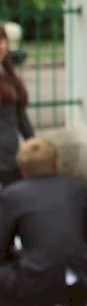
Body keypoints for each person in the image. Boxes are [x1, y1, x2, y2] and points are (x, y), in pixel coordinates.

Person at [0, 138, 87, 306]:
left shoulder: (12, 196)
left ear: (22, 171)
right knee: (76, 257)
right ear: (56, 164)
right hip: (83, 277)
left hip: (37, 282)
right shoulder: (76, 190)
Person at [0, 23, 33, 187]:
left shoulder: (8, 77)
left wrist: (36, 150)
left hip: (12, 163)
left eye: (2, 39)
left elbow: (22, 122)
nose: (1, 46)